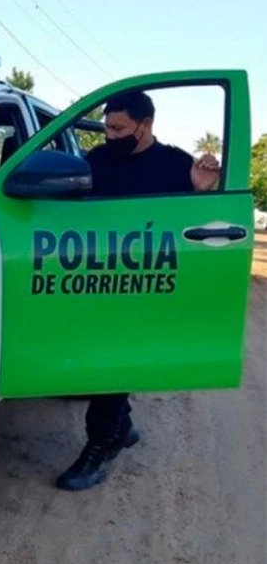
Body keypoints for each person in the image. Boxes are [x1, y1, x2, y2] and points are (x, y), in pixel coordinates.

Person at [56, 90, 220, 492]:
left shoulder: (176, 165)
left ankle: (101, 444)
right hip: (97, 281)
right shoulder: (96, 161)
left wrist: (201, 192)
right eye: (107, 128)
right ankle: (122, 424)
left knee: (112, 357)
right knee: (95, 356)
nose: (109, 136)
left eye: (118, 128)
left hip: (146, 287)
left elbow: (203, 227)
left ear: (145, 125)